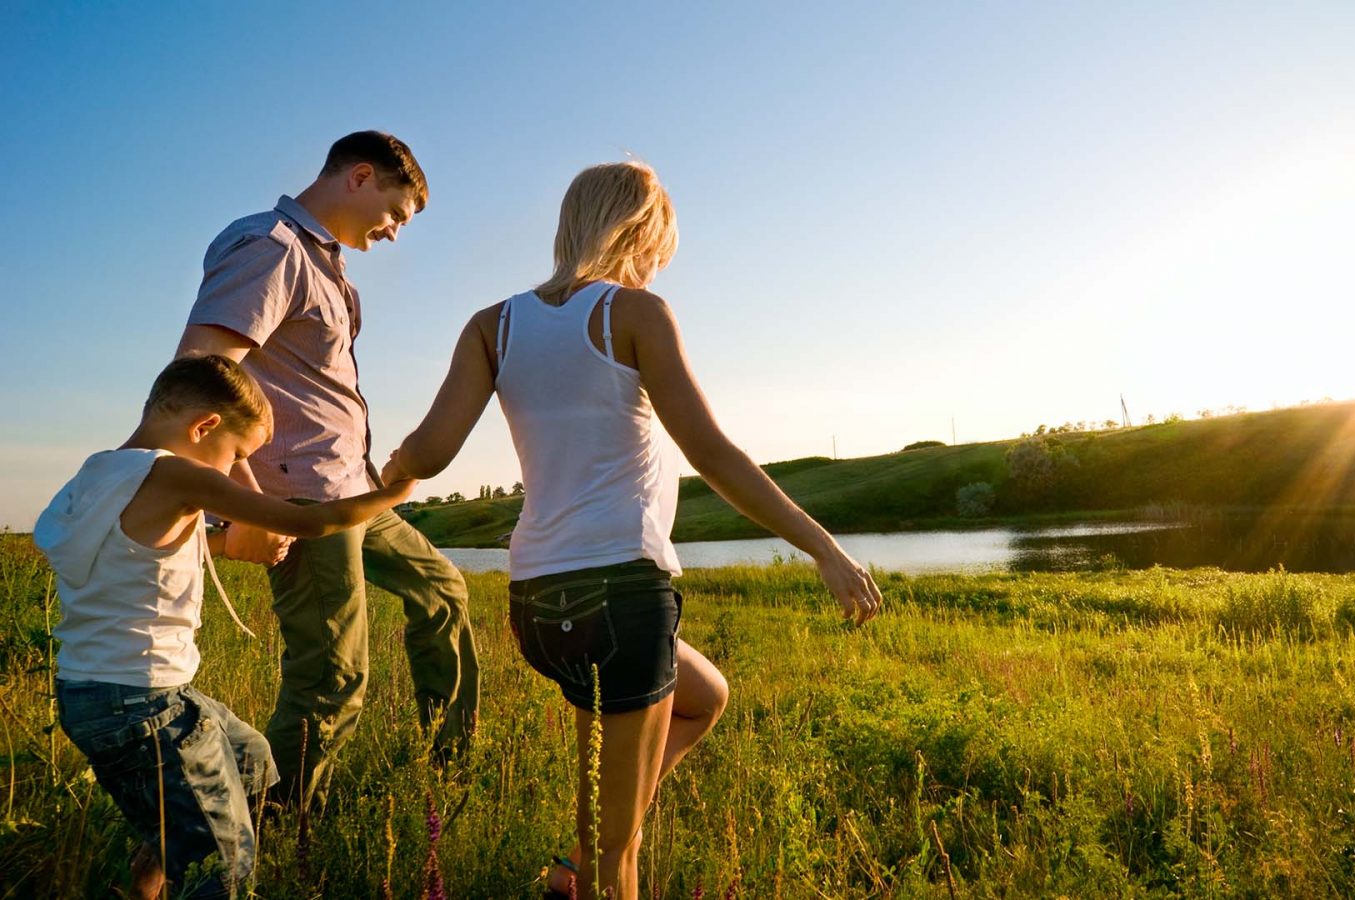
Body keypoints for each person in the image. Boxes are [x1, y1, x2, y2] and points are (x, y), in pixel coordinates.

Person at [385, 161, 884, 899]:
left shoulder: (493, 325)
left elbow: (425, 454)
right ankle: (588, 864)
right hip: (622, 596)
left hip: (537, 605)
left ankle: (575, 863)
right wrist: (825, 548)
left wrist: (363, 483)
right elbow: (713, 455)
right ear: (639, 232)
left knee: (705, 696)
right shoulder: (635, 314)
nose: (656, 266)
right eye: (658, 249)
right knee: (621, 857)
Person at [35, 355, 416, 899]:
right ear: (205, 427)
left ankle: (153, 880)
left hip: (94, 693)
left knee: (251, 759)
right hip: (144, 706)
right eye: (238, 455)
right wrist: (399, 488)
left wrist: (226, 545)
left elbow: (134, 553)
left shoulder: (98, 473)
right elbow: (307, 521)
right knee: (225, 867)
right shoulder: (174, 473)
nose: (236, 468)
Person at [174, 131, 479, 809]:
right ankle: (265, 833)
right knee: (332, 680)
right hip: (300, 501)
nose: (396, 233)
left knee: (445, 593)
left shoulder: (325, 265)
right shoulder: (271, 247)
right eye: (397, 213)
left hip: (353, 491)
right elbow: (199, 373)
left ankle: (452, 767)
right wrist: (246, 505)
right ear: (361, 176)